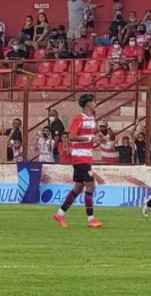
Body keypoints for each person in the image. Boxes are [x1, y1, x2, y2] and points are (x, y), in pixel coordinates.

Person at [52, 94, 104, 229]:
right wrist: (89, 139)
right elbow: (71, 137)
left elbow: (88, 135)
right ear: (87, 104)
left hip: (87, 155)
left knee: (79, 187)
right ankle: (91, 219)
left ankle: (60, 213)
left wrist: (96, 137)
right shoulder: (78, 118)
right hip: (80, 156)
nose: (95, 104)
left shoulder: (92, 119)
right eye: (94, 101)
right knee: (91, 185)